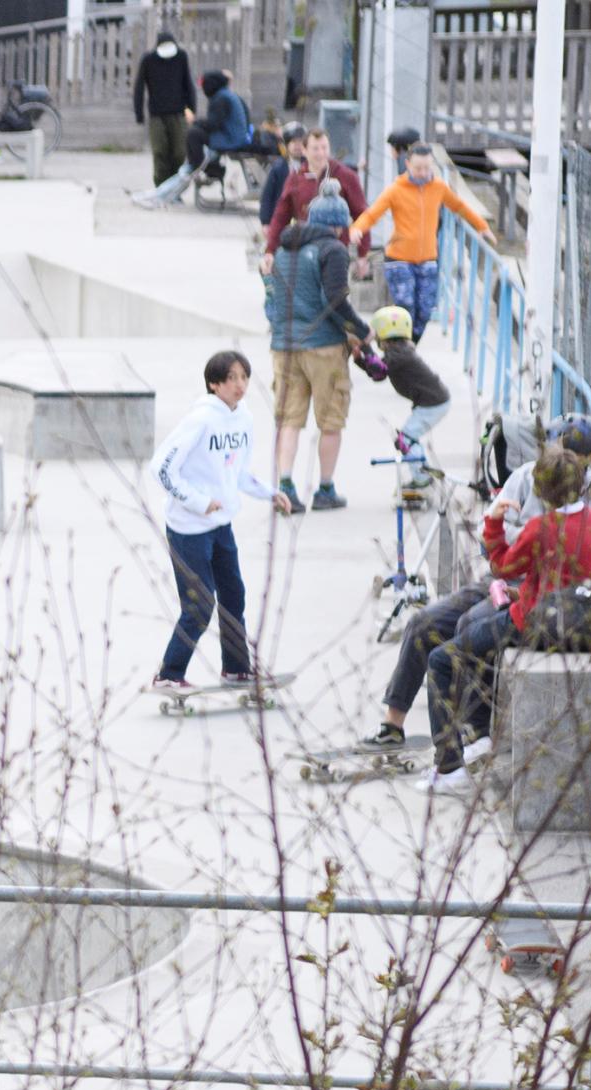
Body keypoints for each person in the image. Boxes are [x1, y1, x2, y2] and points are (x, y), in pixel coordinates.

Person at [360, 415, 591, 755]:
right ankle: (393, 725)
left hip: (543, 596)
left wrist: (526, 541)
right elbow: (496, 538)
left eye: (578, 457)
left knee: (471, 628)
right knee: (424, 624)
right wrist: (525, 539)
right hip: (504, 578)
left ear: (590, 460)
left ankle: (474, 734)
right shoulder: (527, 477)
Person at [423, 445, 591, 790]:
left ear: (541, 490)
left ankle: (451, 765)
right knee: (481, 634)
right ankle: (479, 738)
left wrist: (494, 521)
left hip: (538, 625)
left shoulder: (542, 527)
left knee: (443, 659)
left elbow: (503, 566)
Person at [149, 351, 292, 694]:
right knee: (199, 604)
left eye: (244, 377)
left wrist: (270, 492)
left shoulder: (244, 420)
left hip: (221, 526)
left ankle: (236, 669)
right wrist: (199, 502)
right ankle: (169, 673)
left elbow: (237, 473)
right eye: (231, 379)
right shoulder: (200, 420)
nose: (239, 385)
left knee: (233, 596)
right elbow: (161, 468)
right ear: (214, 384)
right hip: (187, 529)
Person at [265, 192, 373, 512]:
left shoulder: (284, 249)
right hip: (323, 347)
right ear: (339, 225)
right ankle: (325, 490)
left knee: (289, 419)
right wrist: (362, 331)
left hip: (283, 345)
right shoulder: (333, 250)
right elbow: (336, 300)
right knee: (330, 420)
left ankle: (285, 486)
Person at [352, 141, 493, 341]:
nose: (423, 172)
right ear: (408, 164)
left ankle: (408, 349)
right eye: (418, 168)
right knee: (406, 306)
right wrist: (357, 229)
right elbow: (372, 214)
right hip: (398, 257)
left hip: (427, 258)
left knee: (425, 310)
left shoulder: (438, 187)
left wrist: (482, 226)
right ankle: (399, 349)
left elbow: (459, 206)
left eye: (427, 168)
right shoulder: (396, 189)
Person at [133, 69, 256, 208]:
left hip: (229, 140)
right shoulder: (227, 95)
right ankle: (162, 192)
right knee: (192, 145)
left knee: (193, 139)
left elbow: (213, 124)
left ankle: (194, 164)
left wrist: (194, 121)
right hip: (231, 138)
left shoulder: (221, 98)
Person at [260, 128, 370, 266]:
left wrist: (362, 254)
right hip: (305, 252)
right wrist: (270, 250)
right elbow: (281, 216)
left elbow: (362, 214)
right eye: (315, 149)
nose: (321, 153)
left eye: (324, 148)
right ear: (304, 151)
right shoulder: (295, 179)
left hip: (337, 252)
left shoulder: (346, 176)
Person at [366, 304, 449, 475]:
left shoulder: (399, 356)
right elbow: (378, 374)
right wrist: (361, 356)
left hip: (434, 403)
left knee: (407, 439)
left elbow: (379, 370)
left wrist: (364, 348)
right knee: (408, 438)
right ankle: (421, 473)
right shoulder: (400, 352)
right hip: (433, 402)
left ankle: (421, 479)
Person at [134, 30, 196, 189]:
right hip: (156, 114)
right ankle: (161, 187)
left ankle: (175, 188)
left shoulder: (181, 57)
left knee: (180, 152)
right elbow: (139, 87)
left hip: (178, 112)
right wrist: (139, 113)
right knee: (160, 151)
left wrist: (191, 108)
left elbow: (188, 84)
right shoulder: (148, 60)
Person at [257, 123, 307, 225]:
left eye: (300, 142)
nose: (298, 146)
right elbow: (267, 196)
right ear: (286, 144)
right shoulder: (278, 168)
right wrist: (265, 221)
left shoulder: (310, 166)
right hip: (281, 218)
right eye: (293, 142)